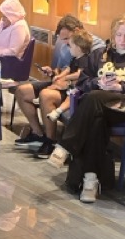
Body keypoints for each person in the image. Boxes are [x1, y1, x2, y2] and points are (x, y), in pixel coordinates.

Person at [51, 13, 125, 203]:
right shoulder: (100, 55)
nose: (122, 40)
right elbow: (83, 82)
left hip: (124, 109)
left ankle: (66, 146)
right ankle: (90, 182)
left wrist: (121, 87)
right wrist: (98, 82)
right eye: (119, 35)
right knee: (96, 120)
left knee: (93, 99)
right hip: (99, 109)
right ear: (113, 35)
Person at [12, 14, 85, 150]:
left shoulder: (89, 45)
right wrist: (52, 72)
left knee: (45, 95)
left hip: (73, 88)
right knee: (21, 91)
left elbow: (84, 73)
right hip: (60, 82)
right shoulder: (65, 46)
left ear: (77, 31)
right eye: (62, 39)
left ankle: (50, 141)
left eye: (67, 39)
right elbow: (62, 68)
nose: (64, 43)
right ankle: (38, 134)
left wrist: (63, 79)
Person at [31, 27, 96, 160]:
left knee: (67, 92)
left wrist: (65, 78)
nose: (68, 47)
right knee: (56, 83)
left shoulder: (85, 59)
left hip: (78, 88)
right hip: (70, 86)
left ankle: (58, 110)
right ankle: (47, 106)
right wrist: (61, 75)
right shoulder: (75, 58)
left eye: (70, 45)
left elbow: (79, 73)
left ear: (78, 47)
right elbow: (68, 69)